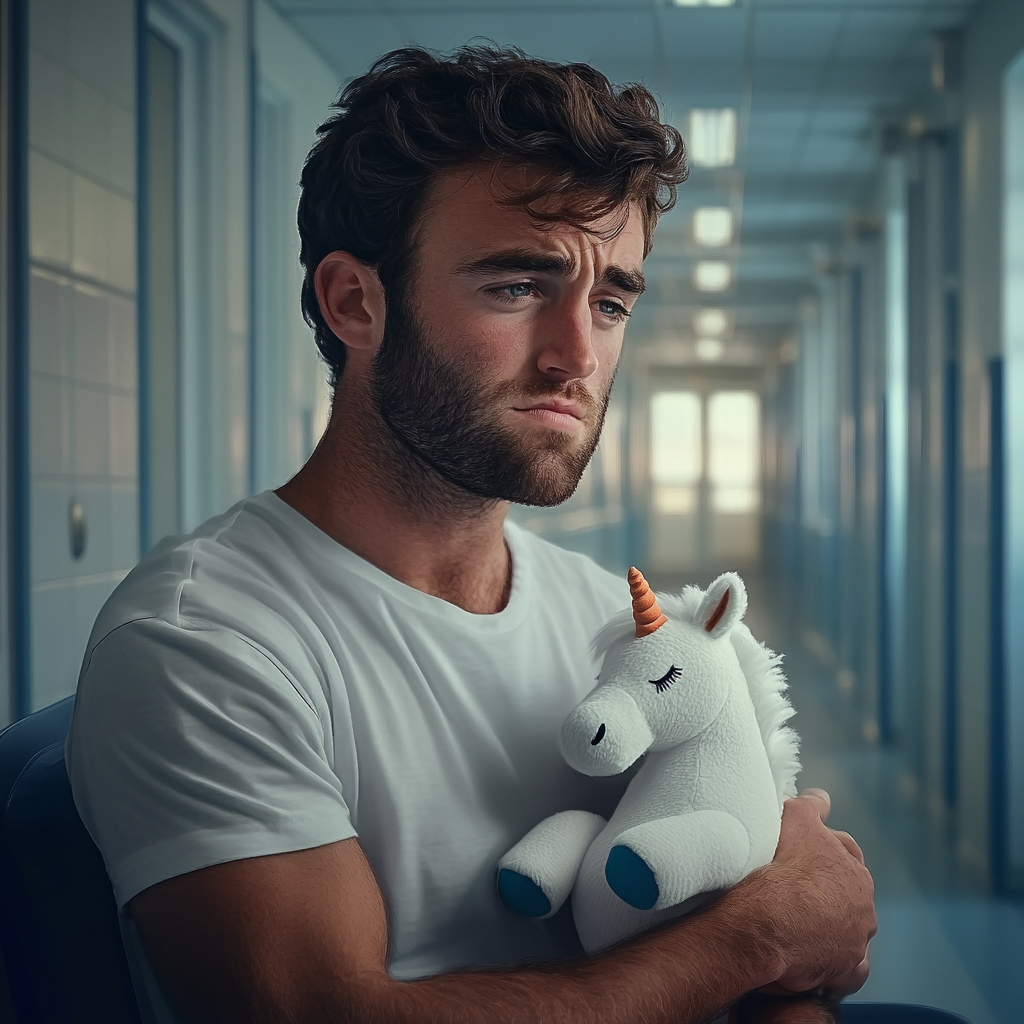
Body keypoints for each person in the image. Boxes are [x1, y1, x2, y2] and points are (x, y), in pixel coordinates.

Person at [66, 46, 875, 1024]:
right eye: (516, 287)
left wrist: (780, 966)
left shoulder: (600, 621)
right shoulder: (207, 644)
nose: (578, 353)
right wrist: (755, 939)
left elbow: (770, 918)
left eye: (610, 300)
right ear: (354, 301)